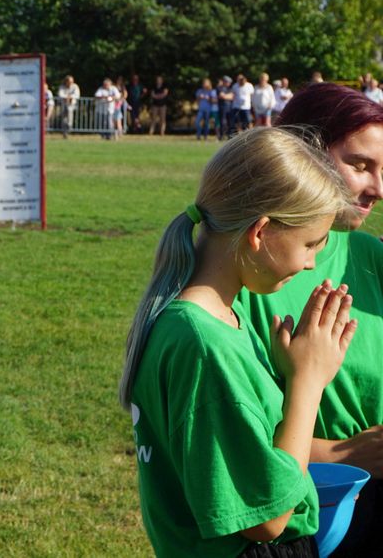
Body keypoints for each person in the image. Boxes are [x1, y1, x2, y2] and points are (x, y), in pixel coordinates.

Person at [121, 126, 357, 557]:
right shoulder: (204, 343)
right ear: (260, 232)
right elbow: (267, 518)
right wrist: (307, 381)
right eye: (309, 244)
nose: (311, 264)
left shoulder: (218, 317)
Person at [238, 84, 383, 556]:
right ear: (302, 154)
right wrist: (341, 454)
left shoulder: (371, 256)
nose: (378, 189)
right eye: (360, 165)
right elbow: (235, 436)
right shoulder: (250, 269)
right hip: (297, 513)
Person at [216, 76, 234, 140]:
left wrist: (225, 96)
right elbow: (222, 96)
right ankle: (221, 136)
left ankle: (229, 136)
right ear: (224, 82)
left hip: (230, 108)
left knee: (230, 122)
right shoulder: (219, 88)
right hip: (222, 107)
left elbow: (232, 97)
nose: (229, 83)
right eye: (228, 82)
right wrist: (228, 96)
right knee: (222, 122)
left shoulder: (230, 88)